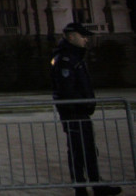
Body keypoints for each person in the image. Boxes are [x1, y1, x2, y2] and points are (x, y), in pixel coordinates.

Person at [51, 23, 122, 196]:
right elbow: (66, 90)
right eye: (82, 35)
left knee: (88, 150)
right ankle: (80, 188)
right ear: (71, 36)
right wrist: (80, 106)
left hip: (81, 112)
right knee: (77, 152)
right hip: (74, 113)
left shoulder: (74, 57)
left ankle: (95, 185)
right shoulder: (66, 59)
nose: (86, 39)